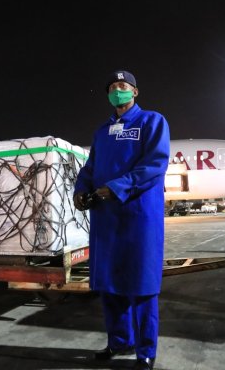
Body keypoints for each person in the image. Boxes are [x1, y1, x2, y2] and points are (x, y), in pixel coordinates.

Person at [73, 70, 170, 370]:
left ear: (135, 92)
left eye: (123, 86)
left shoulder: (152, 122)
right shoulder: (102, 132)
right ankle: (118, 341)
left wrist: (116, 188)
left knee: (141, 286)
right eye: (113, 87)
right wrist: (81, 189)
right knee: (110, 285)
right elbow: (90, 168)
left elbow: (155, 164)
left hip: (139, 217)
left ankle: (145, 351)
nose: (118, 90)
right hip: (106, 219)